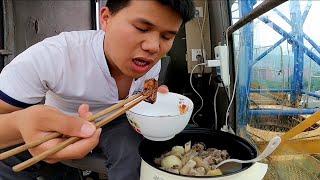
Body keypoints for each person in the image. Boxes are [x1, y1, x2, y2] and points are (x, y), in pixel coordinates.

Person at [0, 0, 195, 179]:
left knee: (135, 155)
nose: (153, 47)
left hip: (116, 122)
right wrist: (19, 123)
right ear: (106, 18)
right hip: (56, 126)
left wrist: (151, 104)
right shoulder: (55, 54)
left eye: (167, 36)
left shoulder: (151, 61)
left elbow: (140, 97)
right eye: (141, 28)